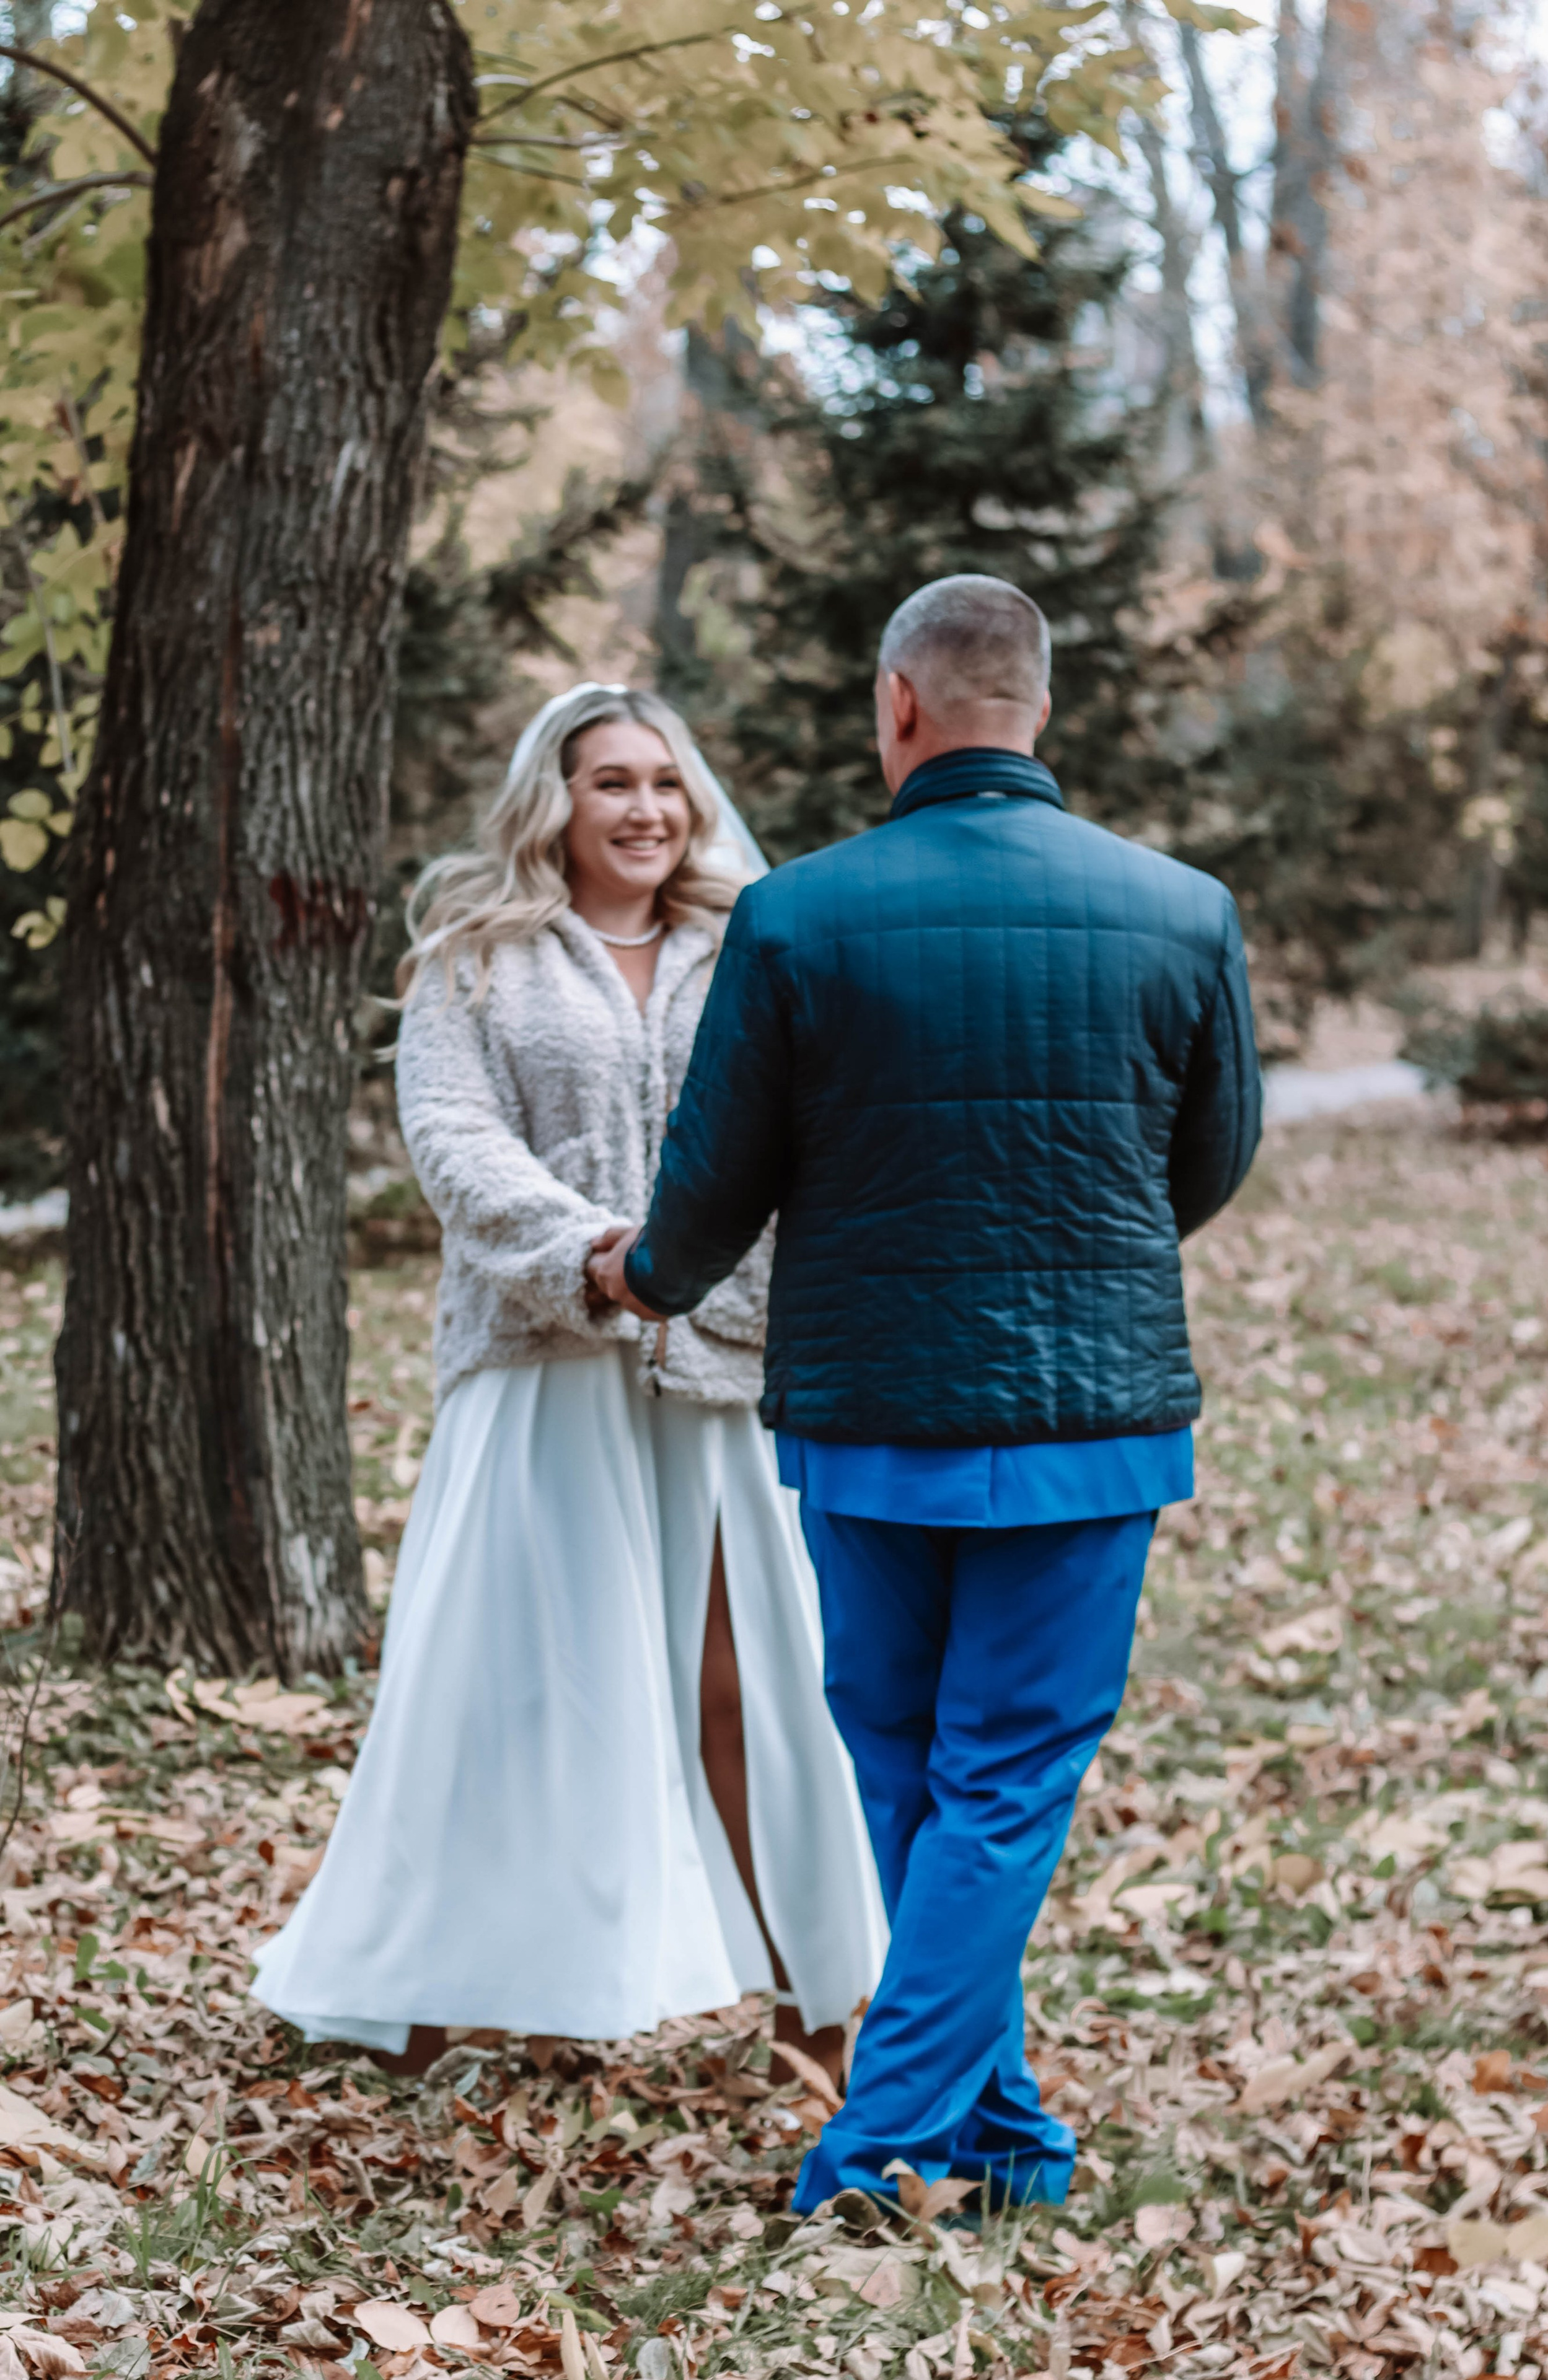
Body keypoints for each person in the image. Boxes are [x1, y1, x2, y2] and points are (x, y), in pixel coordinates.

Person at [590, 577, 1262, 2212]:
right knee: (982, 1782)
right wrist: (1089, 1249)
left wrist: (644, 1275)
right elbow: (1216, 1150)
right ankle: (1006, 2128)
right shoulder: (1181, 908)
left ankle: (883, 2136)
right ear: (1039, 706)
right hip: (1085, 1430)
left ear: (900, 707)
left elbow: (715, 1176)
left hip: (876, 1421)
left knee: (923, 1766)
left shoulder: (801, 916)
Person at [250, 683, 886, 2079]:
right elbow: (453, 1138)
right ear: (559, 798)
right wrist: (594, 1257)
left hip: (715, 1372)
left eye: (665, 781)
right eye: (611, 782)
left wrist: (701, 1278)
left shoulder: (753, 949)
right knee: (505, 1682)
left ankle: (816, 1996)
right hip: (540, 1365)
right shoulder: (478, 956)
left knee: (748, 1688)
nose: (645, 808)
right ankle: (416, 1987)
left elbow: (812, 1141)